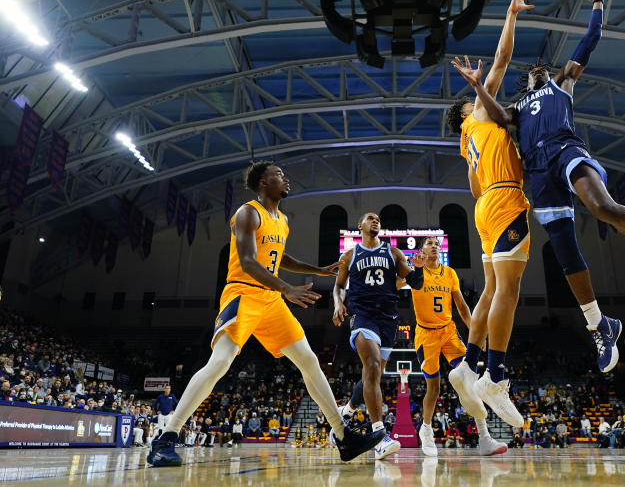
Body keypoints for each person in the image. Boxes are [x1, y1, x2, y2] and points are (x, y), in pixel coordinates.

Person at [452, 0, 625, 376]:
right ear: (525, 82)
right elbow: (498, 117)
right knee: (565, 254)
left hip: (566, 151)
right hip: (538, 175)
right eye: (531, 71)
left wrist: (598, 3)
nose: (537, 69)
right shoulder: (515, 109)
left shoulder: (562, 83)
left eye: (541, 67)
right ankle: (598, 325)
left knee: (601, 206)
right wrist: (478, 89)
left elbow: (590, 40)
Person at [147, 162, 384, 467]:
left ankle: (343, 437)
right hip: (242, 294)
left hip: (270, 300)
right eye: (279, 175)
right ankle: (167, 437)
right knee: (219, 363)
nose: (286, 179)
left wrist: (316, 269)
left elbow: (277, 257)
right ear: (263, 182)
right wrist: (288, 288)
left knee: (309, 361)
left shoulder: (282, 220)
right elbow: (248, 261)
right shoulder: (248, 212)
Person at [443, 0, 534, 431]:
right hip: (504, 198)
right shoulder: (478, 115)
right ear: (465, 111)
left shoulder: (466, 143)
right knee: (509, 293)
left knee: (490, 291)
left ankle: (468, 363)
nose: (478, 100)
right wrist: (512, 13)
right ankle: (494, 377)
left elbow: (473, 187)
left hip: (484, 207)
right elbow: (500, 61)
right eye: (472, 101)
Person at [333, 211, 425, 460]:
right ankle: (380, 437)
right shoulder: (350, 255)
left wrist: (418, 269)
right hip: (362, 316)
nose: (375, 221)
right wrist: (337, 303)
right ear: (360, 225)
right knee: (372, 366)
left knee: (371, 376)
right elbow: (339, 286)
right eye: (370, 218)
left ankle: (347, 411)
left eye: (378, 219)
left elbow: (415, 283)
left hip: (388, 320)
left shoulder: (393, 253)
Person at [406, 236, 506, 457]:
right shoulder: (414, 272)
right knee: (434, 389)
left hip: (449, 331)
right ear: (421, 249)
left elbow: (461, 306)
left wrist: (476, 334)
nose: (434, 246)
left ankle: (485, 438)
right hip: (426, 335)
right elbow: (394, 285)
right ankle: (426, 430)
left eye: (436, 243)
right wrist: (414, 268)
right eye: (429, 243)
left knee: (470, 377)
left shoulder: (449, 273)